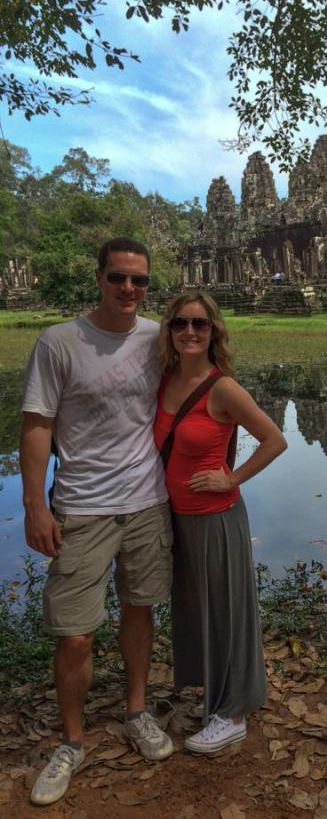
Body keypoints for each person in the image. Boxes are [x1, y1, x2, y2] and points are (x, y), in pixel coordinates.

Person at [20, 237, 174, 806]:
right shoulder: (59, 342)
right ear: (98, 279)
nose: (129, 289)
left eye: (139, 281)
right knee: (77, 632)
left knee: (139, 609)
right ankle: (72, 742)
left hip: (146, 501)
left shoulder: (161, 338)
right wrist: (35, 504)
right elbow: (37, 426)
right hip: (81, 505)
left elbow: (200, 388)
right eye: (118, 278)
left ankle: (136, 710)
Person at [154, 290, 287, 753]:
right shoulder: (165, 378)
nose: (189, 332)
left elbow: (274, 440)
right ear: (169, 331)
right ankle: (211, 694)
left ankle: (233, 713)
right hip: (177, 518)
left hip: (216, 519)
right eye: (180, 324)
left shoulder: (223, 387)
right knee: (196, 609)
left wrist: (231, 478)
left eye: (199, 324)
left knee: (227, 612)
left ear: (214, 333)